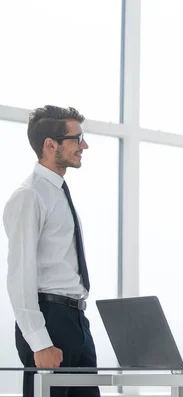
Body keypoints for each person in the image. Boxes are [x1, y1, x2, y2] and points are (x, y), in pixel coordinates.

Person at [3, 105, 98, 397]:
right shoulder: (29, 196)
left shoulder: (57, 192)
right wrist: (39, 341)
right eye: (77, 138)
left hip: (76, 320)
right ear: (50, 144)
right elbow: (20, 274)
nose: (85, 145)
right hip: (50, 319)